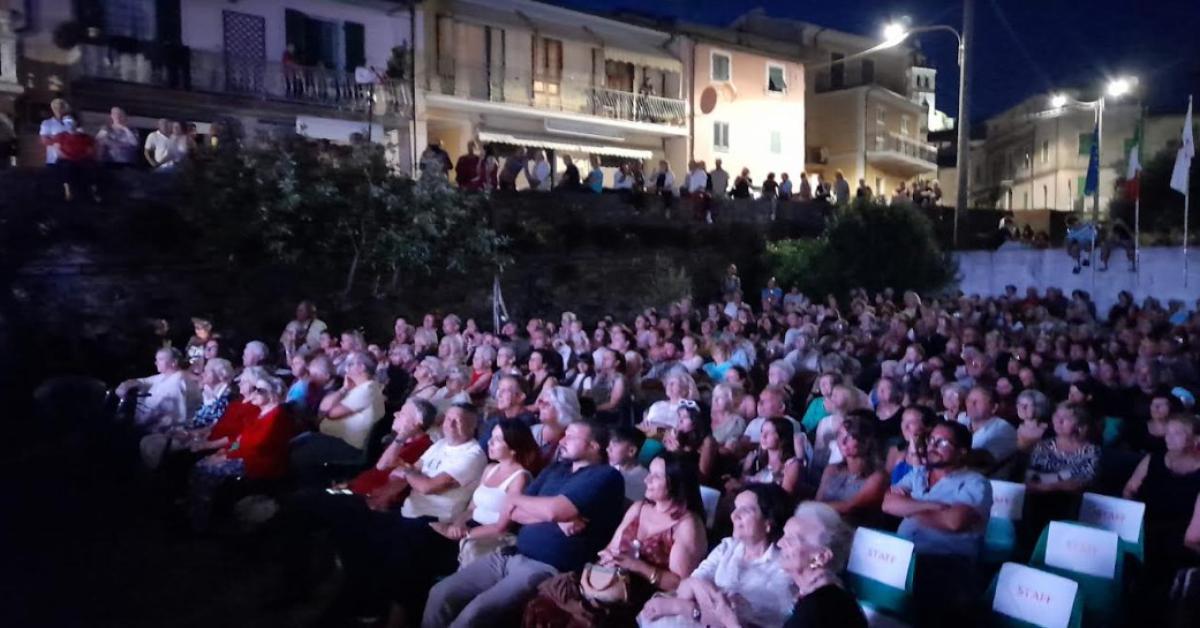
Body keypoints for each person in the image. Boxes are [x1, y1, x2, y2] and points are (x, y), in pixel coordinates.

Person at [421, 421, 626, 628]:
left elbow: (552, 509)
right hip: (510, 554)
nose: (562, 440)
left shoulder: (605, 476)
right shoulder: (556, 469)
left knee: (475, 614)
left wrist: (547, 510)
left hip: (547, 567)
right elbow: (514, 512)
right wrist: (551, 515)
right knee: (440, 593)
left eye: (571, 437)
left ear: (593, 446)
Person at [320, 403, 490, 622]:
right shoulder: (439, 446)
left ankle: (378, 610)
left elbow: (428, 486)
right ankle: (359, 601)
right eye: (448, 418)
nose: (451, 424)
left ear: (473, 426)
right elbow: (386, 466)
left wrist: (408, 472)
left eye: (459, 421)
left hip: (433, 523)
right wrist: (402, 437)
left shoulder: (472, 454)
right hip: (407, 513)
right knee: (350, 524)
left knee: (395, 550)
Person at [521, 453, 708, 627]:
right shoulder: (639, 508)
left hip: (641, 598)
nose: (646, 480)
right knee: (542, 606)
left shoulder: (687, 524)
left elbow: (680, 584)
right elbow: (611, 548)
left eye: (656, 477)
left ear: (676, 483)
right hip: (610, 581)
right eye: (649, 474)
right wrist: (609, 556)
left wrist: (636, 566)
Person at [637, 484, 797, 628]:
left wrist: (683, 606)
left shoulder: (783, 566)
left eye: (746, 510)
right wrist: (705, 591)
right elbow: (687, 587)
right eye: (735, 508)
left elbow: (735, 620)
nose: (734, 515)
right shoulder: (728, 547)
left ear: (769, 522)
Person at [883, 420, 992, 626]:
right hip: (904, 554)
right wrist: (935, 507)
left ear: (961, 452)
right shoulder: (919, 473)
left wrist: (907, 506)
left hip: (948, 561)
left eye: (942, 443)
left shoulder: (975, 483)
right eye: (932, 440)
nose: (932, 447)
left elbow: (954, 522)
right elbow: (887, 504)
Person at [188, 375, 292, 530]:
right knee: (201, 465)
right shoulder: (261, 414)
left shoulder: (277, 416)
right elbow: (240, 439)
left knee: (206, 470)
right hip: (244, 457)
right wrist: (227, 450)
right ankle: (200, 514)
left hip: (259, 463)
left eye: (259, 390)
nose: (254, 393)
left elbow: (257, 445)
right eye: (254, 389)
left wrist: (227, 456)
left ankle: (203, 521)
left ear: (272, 395)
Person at [290, 351, 386, 485]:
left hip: (349, 447)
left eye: (350, 364)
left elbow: (331, 413)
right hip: (335, 438)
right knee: (298, 441)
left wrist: (330, 409)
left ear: (362, 367)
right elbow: (323, 408)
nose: (346, 368)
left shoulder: (367, 389)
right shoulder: (357, 388)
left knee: (299, 452)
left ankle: (306, 494)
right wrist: (344, 389)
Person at [778, 503, 868, 628]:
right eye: (784, 535)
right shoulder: (826, 592)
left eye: (791, 540)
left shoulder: (817, 609)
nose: (780, 543)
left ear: (821, 557)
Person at [815, 412, 888, 527]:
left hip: (856, 529)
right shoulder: (831, 469)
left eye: (850, 437)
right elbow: (818, 499)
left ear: (865, 441)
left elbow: (850, 507)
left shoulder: (877, 476)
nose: (842, 442)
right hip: (824, 523)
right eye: (840, 434)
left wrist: (814, 507)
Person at [116, 347, 201, 432]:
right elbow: (143, 381)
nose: (156, 363)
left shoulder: (178, 382)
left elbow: (157, 414)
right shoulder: (164, 376)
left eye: (160, 359)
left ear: (174, 362)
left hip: (163, 432)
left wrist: (133, 424)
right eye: (156, 359)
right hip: (145, 424)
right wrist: (126, 385)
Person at [664, 401, 720, 483]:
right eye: (679, 416)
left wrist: (678, 454)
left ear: (697, 420)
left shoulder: (708, 442)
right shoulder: (680, 436)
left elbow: (702, 478)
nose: (680, 420)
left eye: (685, 417)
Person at [886, 405, 937, 485]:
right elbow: (886, 483)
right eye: (903, 421)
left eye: (911, 422)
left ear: (926, 427)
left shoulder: (933, 455)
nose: (905, 427)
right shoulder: (895, 451)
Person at [610, 425, 649, 503]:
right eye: (608, 445)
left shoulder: (643, 478)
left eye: (613, 446)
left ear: (631, 451)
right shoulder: (611, 467)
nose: (608, 449)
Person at [39, 97, 74, 168]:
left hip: (69, 160)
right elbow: (44, 140)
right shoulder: (47, 123)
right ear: (53, 109)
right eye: (57, 107)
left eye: (62, 107)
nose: (59, 109)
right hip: (54, 160)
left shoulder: (70, 123)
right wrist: (59, 140)